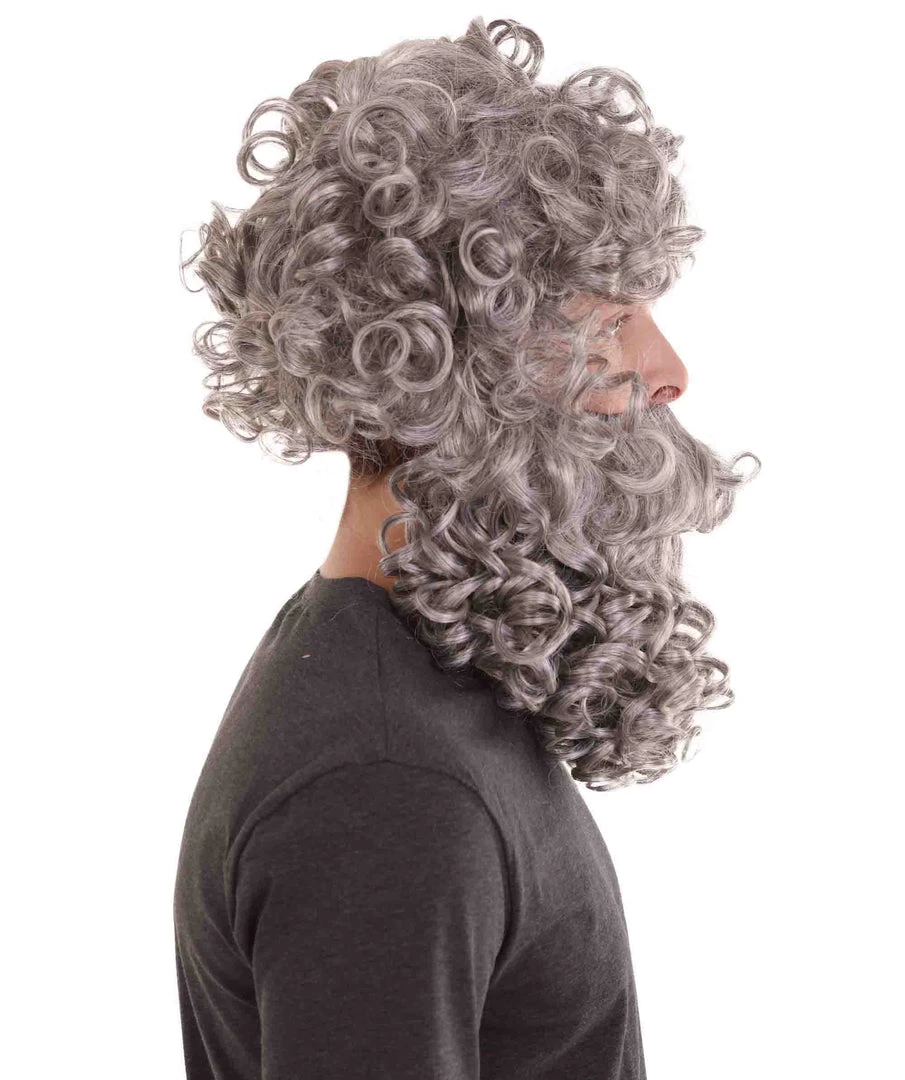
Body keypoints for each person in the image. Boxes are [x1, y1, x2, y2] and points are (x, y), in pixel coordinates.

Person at [174, 15, 759, 1079]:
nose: (667, 370)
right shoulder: (384, 791)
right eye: (607, 318)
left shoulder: (411, 681)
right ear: (436, 368)